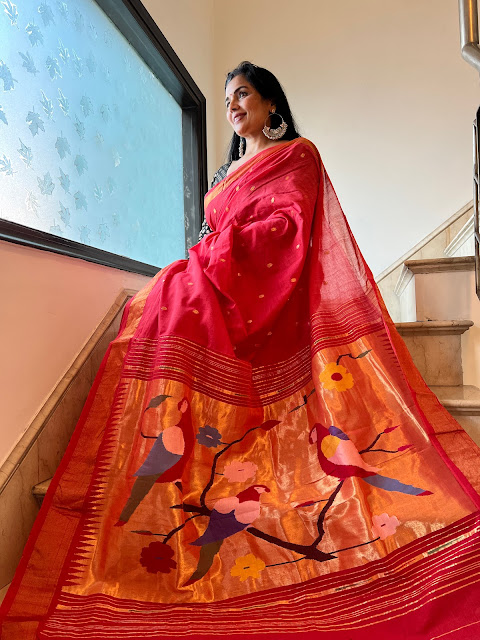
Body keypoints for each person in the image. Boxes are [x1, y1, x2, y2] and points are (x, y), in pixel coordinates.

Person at [1, 61, 480, 640]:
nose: (233, 104)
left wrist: (209, 259)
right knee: (160, 305)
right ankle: (186, 471)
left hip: (259, 293)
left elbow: (285, 229)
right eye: (228, 97)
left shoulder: (296, 155)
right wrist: (203, 260)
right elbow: (214, 232)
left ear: (271, 104)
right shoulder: (228, 170)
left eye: (244, 94)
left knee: (172, 297)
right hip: (224, 286)